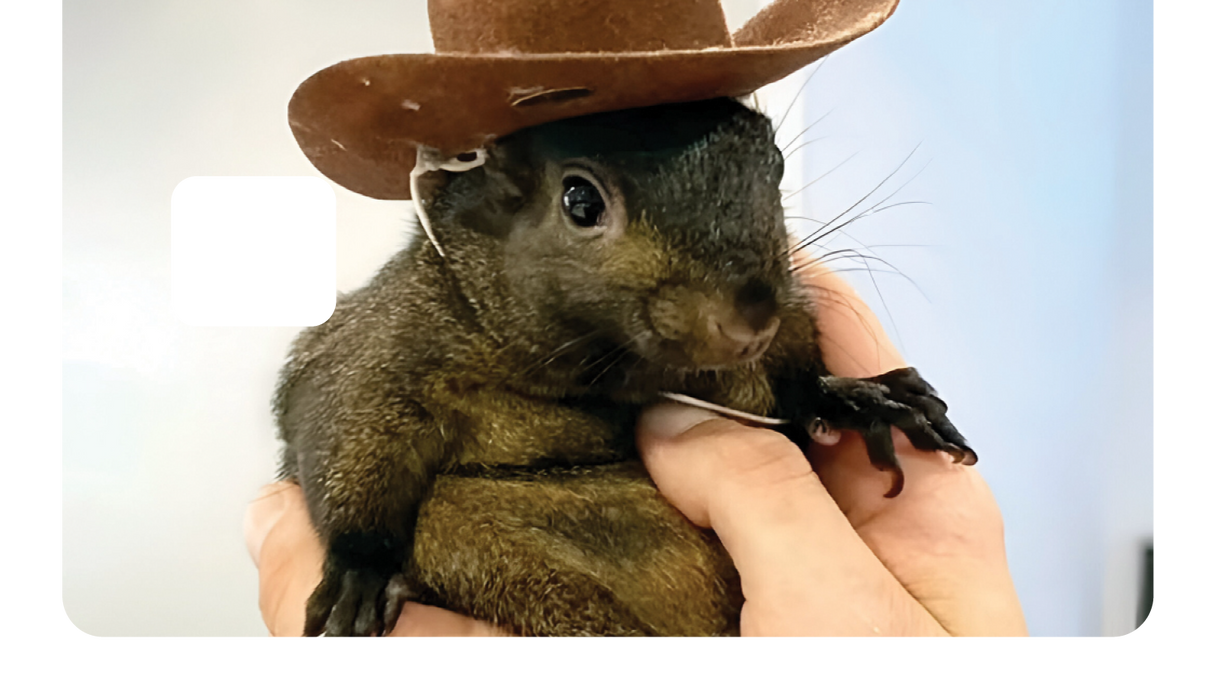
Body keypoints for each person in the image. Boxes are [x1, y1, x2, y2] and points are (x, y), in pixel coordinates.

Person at [245, 263, 1029, 639]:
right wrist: (363, 549)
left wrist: (818, 394)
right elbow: (331, 399)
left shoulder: (765, 303)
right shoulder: (429, 325)